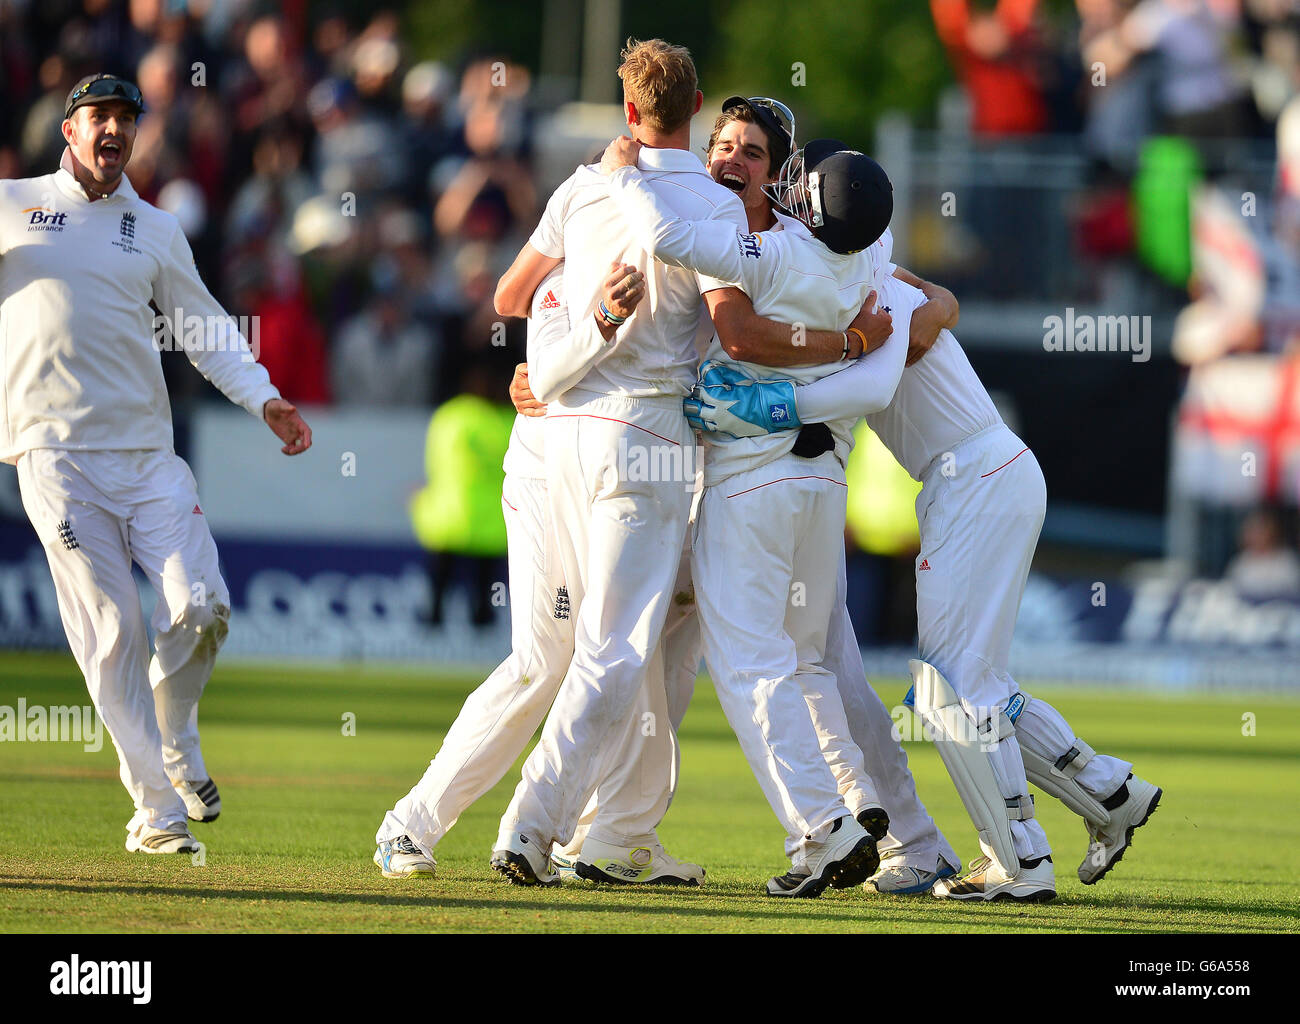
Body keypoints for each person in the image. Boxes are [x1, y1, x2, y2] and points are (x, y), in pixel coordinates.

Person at [686, 239, 1164, 901]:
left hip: (971, 477)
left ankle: (1018, 860)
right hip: (987, 472)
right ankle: (1109, 790)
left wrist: (774, 400)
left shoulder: (860, 300)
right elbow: (940, 302)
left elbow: (884, 360)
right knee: (973, 682)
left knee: (954, 689)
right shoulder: (864, 287)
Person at [0, 74, 312, 854]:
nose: (112, 130)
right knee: (114, 630)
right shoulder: (13, 205)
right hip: (55, 455)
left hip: (147, 457)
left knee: (202, 605)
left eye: (124, 119)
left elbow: (204, 330)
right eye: (97, 117)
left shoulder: (156, 227)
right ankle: (156, 814)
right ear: (68, 131)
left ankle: (176, 739)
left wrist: (263, 398)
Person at [600, 133, 911, 896]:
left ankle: (822, 832)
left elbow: (666, 235)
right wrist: (847, 342)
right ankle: (854, 804)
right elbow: (928, 304)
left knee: (750, 666)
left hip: (749, 481)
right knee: (804, 663)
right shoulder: (865, 261)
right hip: (820, 487)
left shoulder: (766, 253)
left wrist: (621, 177)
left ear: (808, 204)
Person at [373, 262, 705, 886]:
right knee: (546, 659)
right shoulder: (587, 244)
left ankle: (606, 837)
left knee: (641, 649)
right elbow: (522, 316)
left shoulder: (705, 250)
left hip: (647, 473)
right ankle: (411, 825)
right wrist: (545, 372)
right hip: (551, 470)